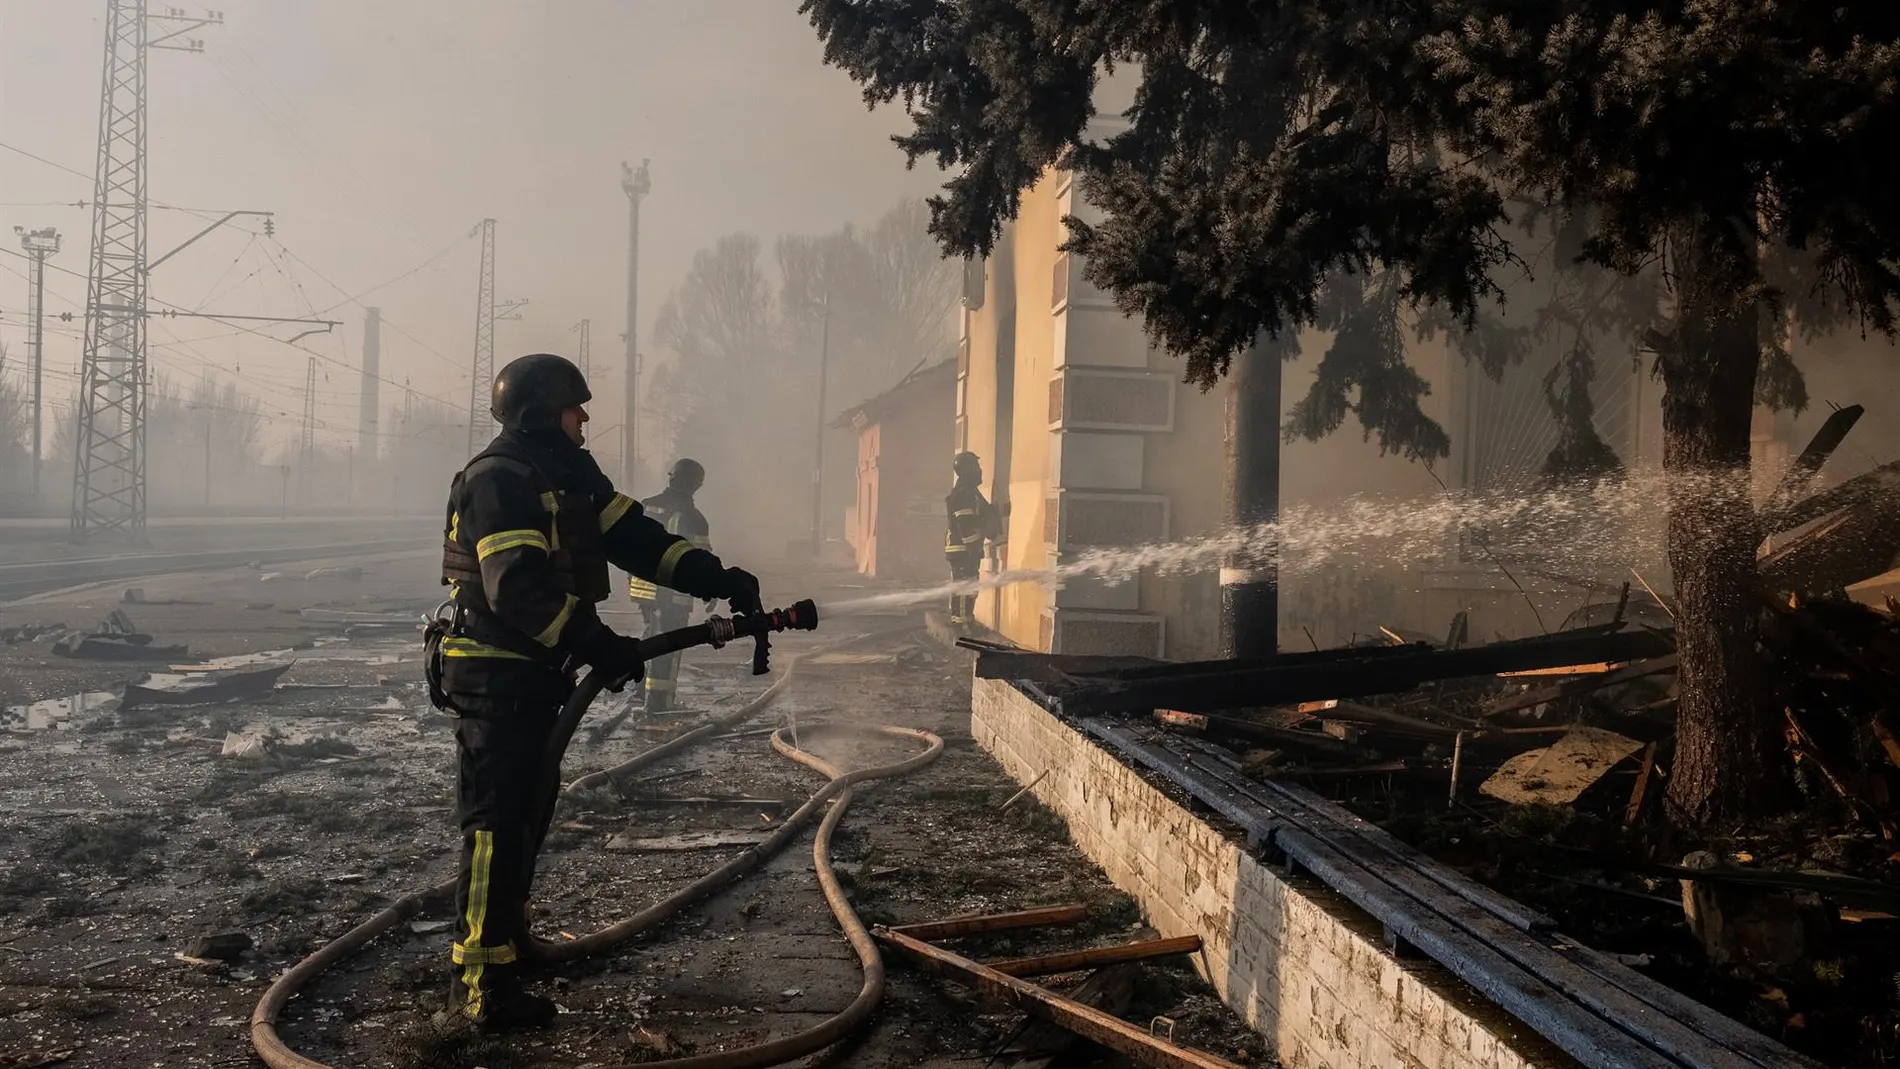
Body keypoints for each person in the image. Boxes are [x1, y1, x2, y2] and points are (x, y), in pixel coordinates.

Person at [429, 354, 762, 1032]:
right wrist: (595, 642)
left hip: (533, 673)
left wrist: (717, 577)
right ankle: (478, 986)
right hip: (492, 673)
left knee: (528, 811)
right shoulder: (499, 479)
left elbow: (637, 539)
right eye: (574, 407)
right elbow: (515, 589)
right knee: (496, 823)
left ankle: (506, 949)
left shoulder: (567, 474)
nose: (584, 418)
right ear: (541, 412)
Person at [628, 458, 709, 711]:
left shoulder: (646, 505)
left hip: (643, 588)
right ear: (697, 485)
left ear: (670, 476)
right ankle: (658, 702)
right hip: (671, 592)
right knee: (668, 645)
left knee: (652, 635)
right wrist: (710, 590)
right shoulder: (694, 518)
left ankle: (640, 690)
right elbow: (702, 562)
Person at [943, 451, 999, 624]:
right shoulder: (963, 493)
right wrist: (973, 548)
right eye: (976, 467)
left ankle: (967, 620)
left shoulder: (970, 491)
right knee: (964, 587)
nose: (979, 470)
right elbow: (965, 525)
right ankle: (961, 624)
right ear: (968, 470)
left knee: (970, 586)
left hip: (966, 548)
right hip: (962, 549)